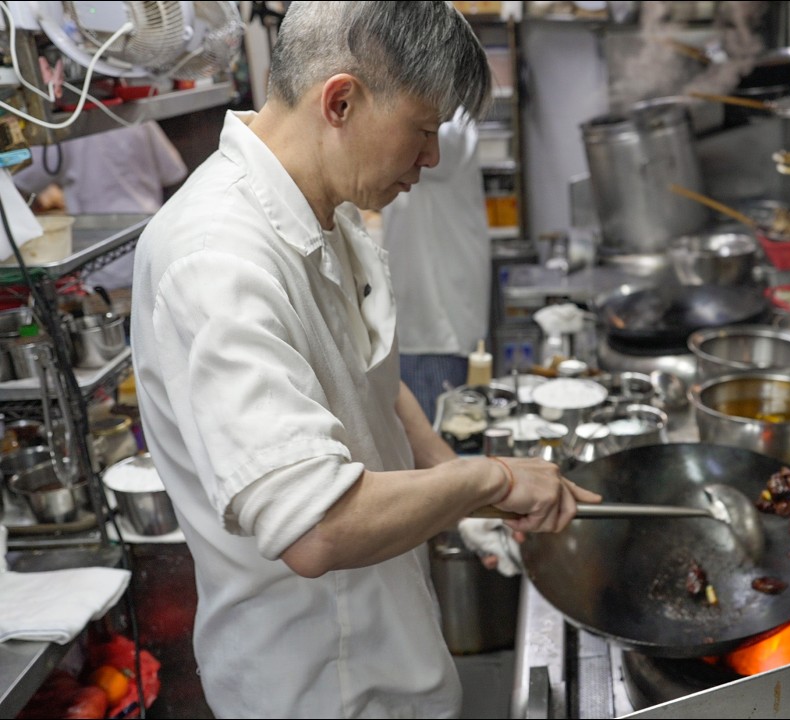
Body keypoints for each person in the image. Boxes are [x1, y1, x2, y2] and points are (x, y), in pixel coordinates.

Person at [128, 3, 600, 717]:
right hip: (321, 686)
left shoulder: (324, 210)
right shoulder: (214, 261)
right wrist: (487, 477)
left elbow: (370, 378)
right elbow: (315, 528)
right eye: (423, 129)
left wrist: (451, 475)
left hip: (390, 650)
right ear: (341, 101)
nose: (433, 158)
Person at [381, 107, 489, 424]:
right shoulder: (445, 127)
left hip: (435, 330)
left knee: (439, 438)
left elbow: (398, 144)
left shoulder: (451, 134)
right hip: (425, 322)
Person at [13, 120, 187, 291]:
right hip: (153, 242)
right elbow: (172, 173)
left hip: (102, 258)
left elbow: (23, 180)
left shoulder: (64, 128)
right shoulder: (139, 119)